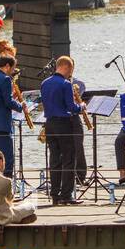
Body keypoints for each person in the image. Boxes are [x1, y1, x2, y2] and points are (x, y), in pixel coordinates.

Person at [40, 56, 83, 206]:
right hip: (64, 123)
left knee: (55, 159)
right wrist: (82, 106)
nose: (70, 74)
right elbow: (71, 107)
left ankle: (55, 195)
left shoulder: (44, 83)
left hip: (49, 124)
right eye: (70, 70)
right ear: (65, 67)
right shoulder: (65, 84)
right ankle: (66, 195)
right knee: (69, 159)